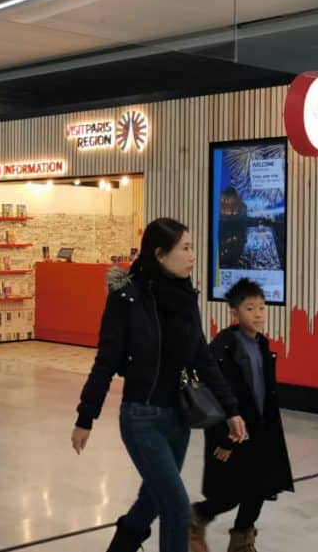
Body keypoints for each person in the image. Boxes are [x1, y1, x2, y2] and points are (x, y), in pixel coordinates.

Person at [71, 217, 248, 552]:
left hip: (178, 418)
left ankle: (122, 544)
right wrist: (85, 417)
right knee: (177, 507)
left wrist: (231, 409)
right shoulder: (127, 299)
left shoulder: (184, 297)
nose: (193, 255)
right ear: (160, 254)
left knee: (154, 497)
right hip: (141, 418)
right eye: (185, 248)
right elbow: (106, 361)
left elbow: (202, 357)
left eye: (192, 247)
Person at [189, 280, 293, 552]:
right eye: (250, 308)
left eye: (261, 307)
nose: (258, 314)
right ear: (234, 314)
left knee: (260, 488)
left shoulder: (262, 345)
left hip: (259, 431)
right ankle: (196, 516)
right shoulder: (222, 348)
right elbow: (218, 397)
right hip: (231, 433)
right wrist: (225, 439)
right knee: (229, 493)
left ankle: (242, 542)